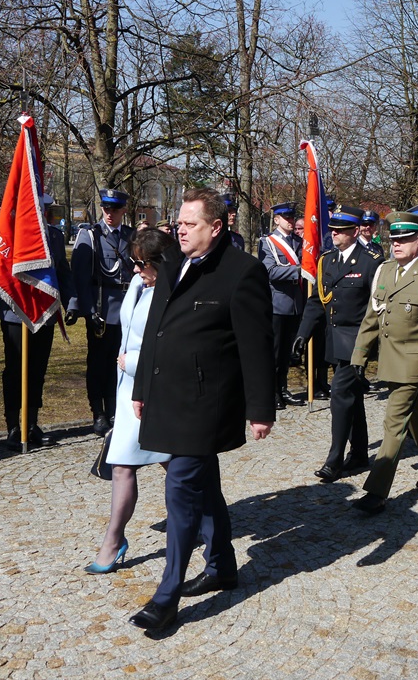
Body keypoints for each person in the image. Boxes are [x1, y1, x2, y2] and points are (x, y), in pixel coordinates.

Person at [127, 187, 274, 633]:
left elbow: (256, 347)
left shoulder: (243, 272)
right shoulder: (173, 263)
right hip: (166, 396)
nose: (179, 230)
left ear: (217, 226)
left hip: (206, 404)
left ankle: (166, 596)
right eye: (178, 223)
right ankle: (223, 566)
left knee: (181, 492)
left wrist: (260, 408)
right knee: (203, 483)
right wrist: (140, 385)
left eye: (189, 224)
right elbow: (156, 328)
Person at [85, 228, 177, 573]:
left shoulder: (172, 294)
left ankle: (200, 517)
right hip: (128, 393)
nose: (135, 270)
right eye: (133, 263)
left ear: (161, 263)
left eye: (141, 264)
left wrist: (133, 362)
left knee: (174, 462)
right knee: (124, 465)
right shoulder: (142, 284)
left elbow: (173, 347)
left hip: (155, 389)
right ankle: (114, 539)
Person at [349, 211, 418, 515]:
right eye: (394, 239)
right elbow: (373, 315)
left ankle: (377, 491)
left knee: (394, 422)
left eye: (404, 239)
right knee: (415, 416)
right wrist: (359, 355)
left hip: (414, 363)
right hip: (390, 361)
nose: (397, 244)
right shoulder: (385, 271)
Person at [292, 205, 383, 482]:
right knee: (352, 397)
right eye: (333, 229)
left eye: (341, 231)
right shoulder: (327, 260)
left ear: (355, 232)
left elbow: (376, 306)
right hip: (334, 339)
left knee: (340, 395)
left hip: (358, 340)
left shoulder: (371, 261)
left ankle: (334, 460)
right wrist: (303, 333)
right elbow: (317, 301)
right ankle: (358, 454)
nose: (334, 234)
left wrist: (370, 344)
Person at [0, 194, 75, 450]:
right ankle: (13, 426)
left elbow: (62, 272)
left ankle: (32, 423)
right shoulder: (2, 233)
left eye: (43, 210)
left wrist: (71, 303)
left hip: (44, 311)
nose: (41, 214)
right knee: (14, 369)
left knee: (37, 369)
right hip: (14, 311)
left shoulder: (53, 236)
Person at [66, 188, 133, 436]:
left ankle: (116, 409)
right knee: (98, 364)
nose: (109, 214)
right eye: (106, 208)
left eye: (115, 209)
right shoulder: (90, 235)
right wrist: (87, 310)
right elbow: (80, 277)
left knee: (122, 364)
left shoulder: (130, 235)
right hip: (102, 309)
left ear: (123, 210)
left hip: (125, 310)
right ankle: (99, 412)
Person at [259, 202, 304, 410]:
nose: (290, 220)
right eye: (285, 217)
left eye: (292, 217)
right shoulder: (267, 243)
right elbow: (270, 272)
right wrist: (297, 271)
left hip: (296, 302)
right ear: (276, 219)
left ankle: (284, 388)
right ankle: (273, 392)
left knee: (288, 353)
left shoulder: (299, 241)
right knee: (275, 353)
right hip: (278, 303)